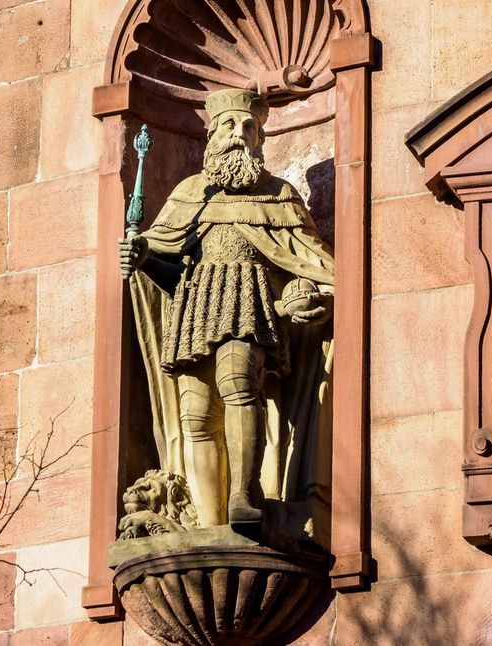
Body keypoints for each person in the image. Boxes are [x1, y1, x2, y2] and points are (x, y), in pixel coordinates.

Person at [119, 89, 335, 536]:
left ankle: (245, 493)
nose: (239, 135)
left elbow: (314, 263)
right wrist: (140, 256)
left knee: (239, 383)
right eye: (230, 126)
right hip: (196, 309)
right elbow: (165, 262)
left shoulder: (280, 196)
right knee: (196, 416)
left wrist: (307, 295)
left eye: (249, 128)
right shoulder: (189, 194)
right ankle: (211, 521)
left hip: (250, 304)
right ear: (212, 136)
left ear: (260, 140)